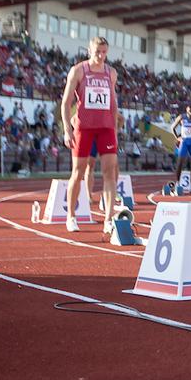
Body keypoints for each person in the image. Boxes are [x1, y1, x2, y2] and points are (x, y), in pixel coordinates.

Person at [60, 36, 120, 235]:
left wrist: (115, 130)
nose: (101, 56)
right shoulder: (78, 71)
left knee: (110, 174)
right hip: (84, 128)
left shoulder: (111, 73)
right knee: (77, 173)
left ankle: (109, 219)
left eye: (104, 52)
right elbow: (66, 103)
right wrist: (67, 130)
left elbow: (113, 103)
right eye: (97, 52)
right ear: (89, 50)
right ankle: (71, 216)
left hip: (106, 128)